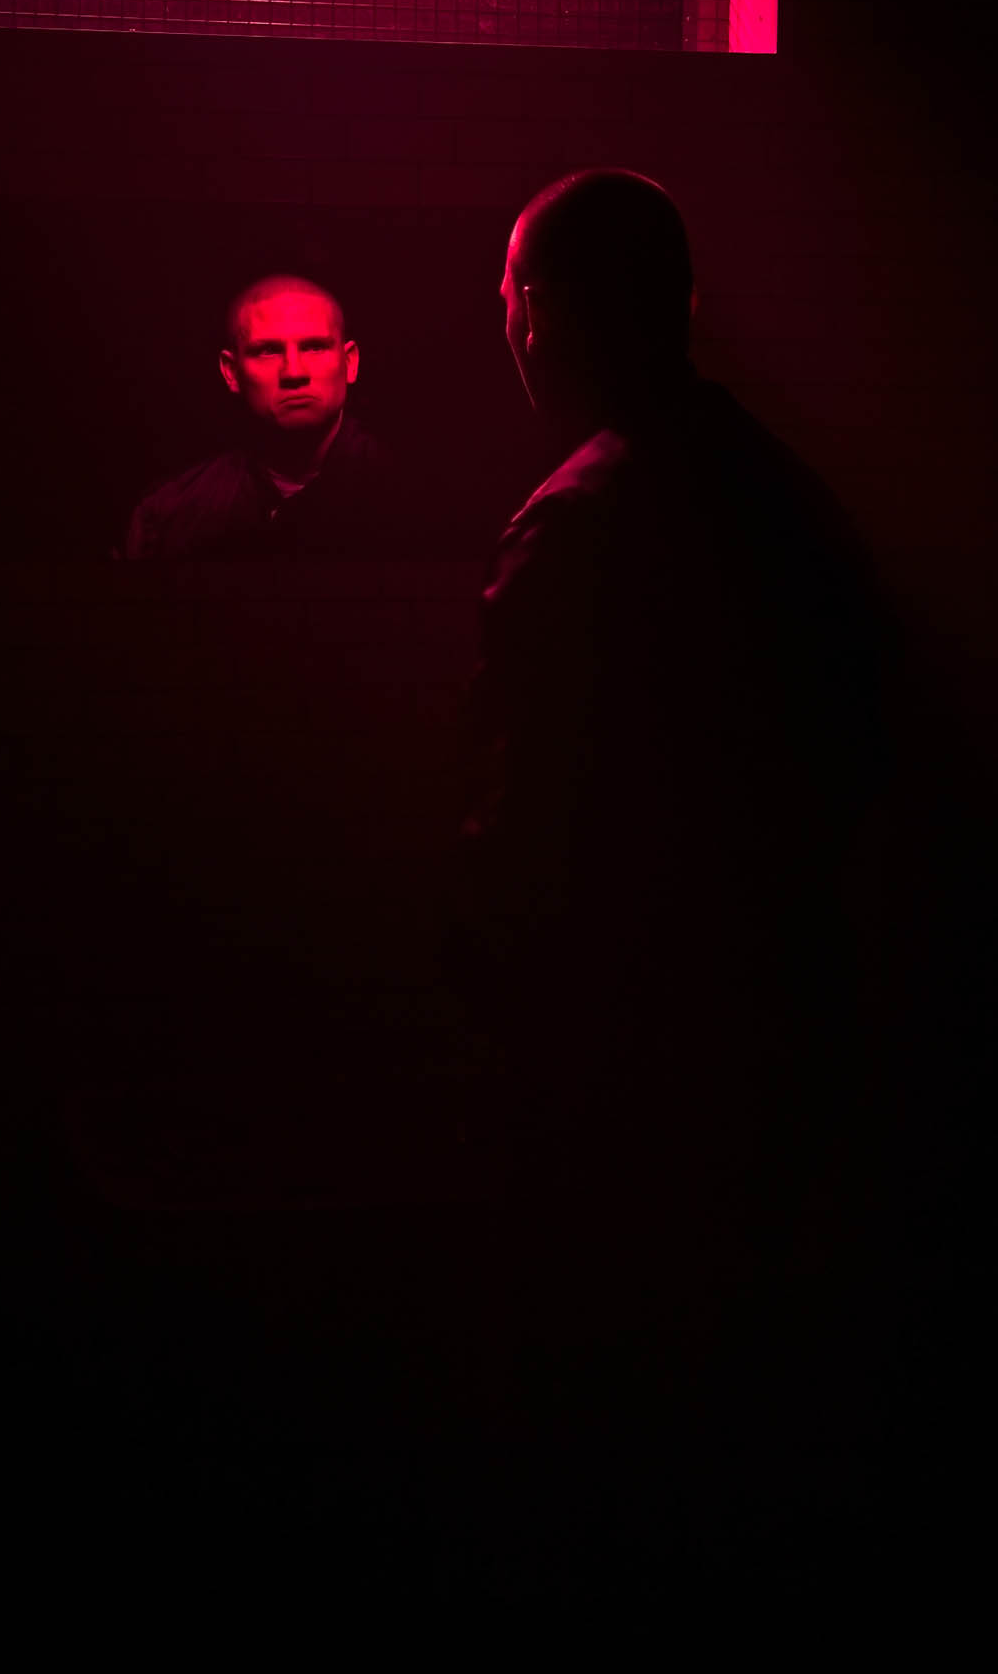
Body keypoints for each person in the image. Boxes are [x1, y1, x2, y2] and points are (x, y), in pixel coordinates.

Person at [452, 169, 889, 1571]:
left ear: (538, 313)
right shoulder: (785, 493)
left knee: (590, 1424)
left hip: (616, 1060)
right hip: (785, 1025)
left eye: (509, 294)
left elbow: (526, 827)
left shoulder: (578, 521)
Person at [120, 274, 394, 561]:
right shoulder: (166, 517)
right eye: (268, 351)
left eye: (314, 347)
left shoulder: (409, 498)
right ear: (231, 371)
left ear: (349, 362)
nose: (294, 372)